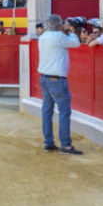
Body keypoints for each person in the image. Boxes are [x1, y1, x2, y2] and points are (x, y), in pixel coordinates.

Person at [37, 14, 83, 155]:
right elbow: (76, 43)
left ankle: (49, 143)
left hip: (44, 77)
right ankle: (66, 145)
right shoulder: (59, 36)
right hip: (57, 79)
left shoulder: (43, 36)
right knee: (64, 111)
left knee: (47, 111)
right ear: (58, 25)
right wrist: (71, 31)